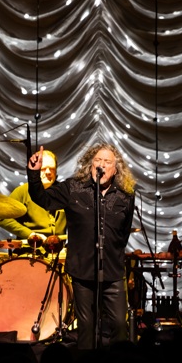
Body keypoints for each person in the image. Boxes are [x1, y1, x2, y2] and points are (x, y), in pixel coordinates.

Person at [27, 143, 136, 351]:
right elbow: (43, 199)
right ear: (89, 165)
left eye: (107, 162)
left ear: (116, 169)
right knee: (86, 326)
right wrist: (34, 174)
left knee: (120, 326)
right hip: (82, 271)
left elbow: (124, 232)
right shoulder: (73, 188)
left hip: (113, 272)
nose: (101, 165)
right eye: (97, 161)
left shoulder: (125, 195)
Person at [0, 149, 67, 252]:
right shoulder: (22, 191)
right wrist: (29, 234)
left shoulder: (64, 191)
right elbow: (3, 218)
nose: (48, 172)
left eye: (52, 168)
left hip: (58, 252)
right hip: (29, 251)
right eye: (43, 168)